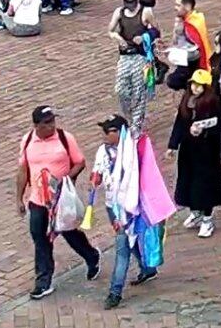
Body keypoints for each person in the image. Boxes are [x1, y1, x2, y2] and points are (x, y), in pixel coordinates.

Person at [16, 105, 100, 300]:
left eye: (53, 121)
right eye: (47, 123)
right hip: (38, 200)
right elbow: (22, 170)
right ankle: (43, 281)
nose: (52, 126)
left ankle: (91, 255)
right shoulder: (28, 141)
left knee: (70, 233)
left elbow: (80, 162)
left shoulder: (65, 138)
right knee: (40, 239)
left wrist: (64, 181)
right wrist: (19, 198)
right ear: (37, 125)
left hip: (61, 200)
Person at [90, 115, 157, 309]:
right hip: (112, 205)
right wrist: (94, 180)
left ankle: (115, 292)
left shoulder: (134, 151)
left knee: (122, 248)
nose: (103, 135)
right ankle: (148, 268)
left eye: (107, 131)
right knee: (129, 240)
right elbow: (98, 171)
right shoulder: (103, 150)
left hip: (131, 207)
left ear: (119, 132)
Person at [166, 69, 221, 239]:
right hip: (188, 149)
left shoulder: (213, 104)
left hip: (207, 151)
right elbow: (179, 123)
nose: (196, 88)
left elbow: (219, 125)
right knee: (188, 180)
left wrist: (203, 130)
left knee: (205, 184)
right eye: (194, 84)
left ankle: (207, 218)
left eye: (200, 86)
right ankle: (195, 212)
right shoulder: (187, 101)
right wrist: (173, 145)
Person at [109, 0, 158, 132]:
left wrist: (144, 36)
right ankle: (129, 117)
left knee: (138, 91)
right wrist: (117, 38)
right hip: (125, 56)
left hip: (140, 56)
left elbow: (156, 30)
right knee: (121, 90)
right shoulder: (119, 12)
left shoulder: (145, 12)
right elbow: (110, 30)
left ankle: (136, 124)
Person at [166, 0, 214, 91]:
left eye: (178, 5)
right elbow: (175, 41)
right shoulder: (186, 20)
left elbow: (198, 49)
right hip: (185, 59)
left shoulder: (193, 24)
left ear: (187, 6)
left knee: (173, 81)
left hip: (192, 62)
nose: (175, 8)